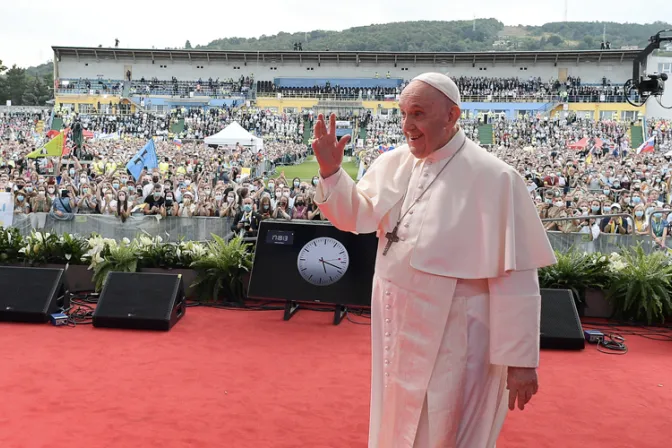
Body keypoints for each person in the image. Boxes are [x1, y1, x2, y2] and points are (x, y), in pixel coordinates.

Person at [312, 72, 557, 448]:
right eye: (403, 113)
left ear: (452, 115)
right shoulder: (395, 163)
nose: (407, 126)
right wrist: (331, 171)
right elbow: (356, 217)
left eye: (419, 114)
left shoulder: (495, 178)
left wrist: (522, 362)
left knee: (446, 427)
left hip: (459, 331)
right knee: (395, 416)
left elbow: (517, 278)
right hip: (397, 321)